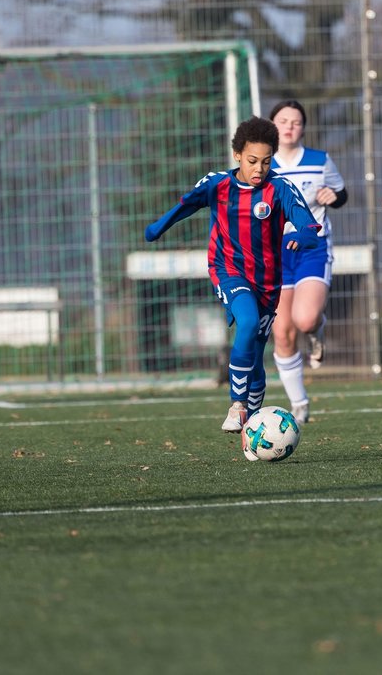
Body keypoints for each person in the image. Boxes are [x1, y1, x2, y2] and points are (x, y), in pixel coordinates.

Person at [145, 116, 320, 456]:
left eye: (267, 161)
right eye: (253, 161)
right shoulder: (218, 184)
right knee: (248, 322)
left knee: (255, 354)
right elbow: (187, 204)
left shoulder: (280, 189)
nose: (259, 169)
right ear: (238, 154)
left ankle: (252, 429)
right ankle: (237, 405)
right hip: (227, 269)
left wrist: (301, 235)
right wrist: (159, 227)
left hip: (268, 282)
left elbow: (310, 229)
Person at [267, 99, 348, 423]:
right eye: (283, 121)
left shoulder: (319, 161)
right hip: (274, 253)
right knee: (283, 332)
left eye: (296, 122)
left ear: (303, 127)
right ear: (272, 125)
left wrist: (334, 196)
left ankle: (317, 329)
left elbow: (341, 193)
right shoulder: (262, 165)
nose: (289, 126)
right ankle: (298, 403)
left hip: (313, 249)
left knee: (304, 319)